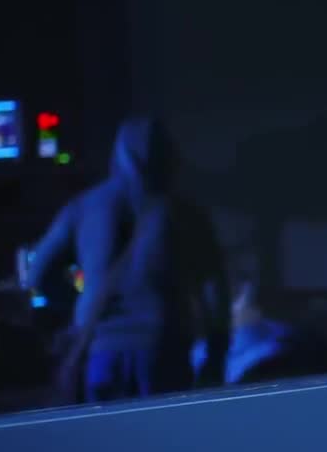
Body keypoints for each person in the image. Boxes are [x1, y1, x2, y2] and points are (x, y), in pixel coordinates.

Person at [21, 117, 230, 403]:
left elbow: (37, 274)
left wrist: (80, 303)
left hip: (100, 350)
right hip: (164, 347)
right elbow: (215, 289)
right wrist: (217, 353)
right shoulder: (186, 214)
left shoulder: (84, 206)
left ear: (117, 153)